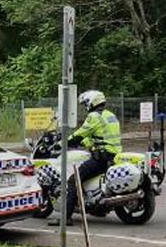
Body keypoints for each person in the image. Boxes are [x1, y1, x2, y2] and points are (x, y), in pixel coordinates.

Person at [47, 90, 123, 226]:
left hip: (101, 158)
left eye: (85, 104)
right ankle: (97, 209)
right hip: (113, 156)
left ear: (91, 102)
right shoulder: (110, 115)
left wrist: (62, 143)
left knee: (72, 180)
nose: (85, 106)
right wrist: (84, 142)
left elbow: (80, 134)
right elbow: (99, 136)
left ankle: (66, 218)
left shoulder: (94, 116)